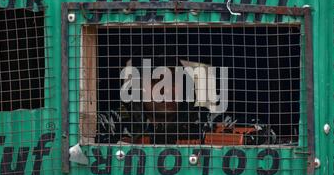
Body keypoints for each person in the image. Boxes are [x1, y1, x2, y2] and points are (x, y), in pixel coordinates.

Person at [97, 55, 276, 145]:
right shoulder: (117, 120)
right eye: (156, 81)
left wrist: (230, 141)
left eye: (174, 80)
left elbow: (265, 133)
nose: (167, 89)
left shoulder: (205, 120)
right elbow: (86, 136)